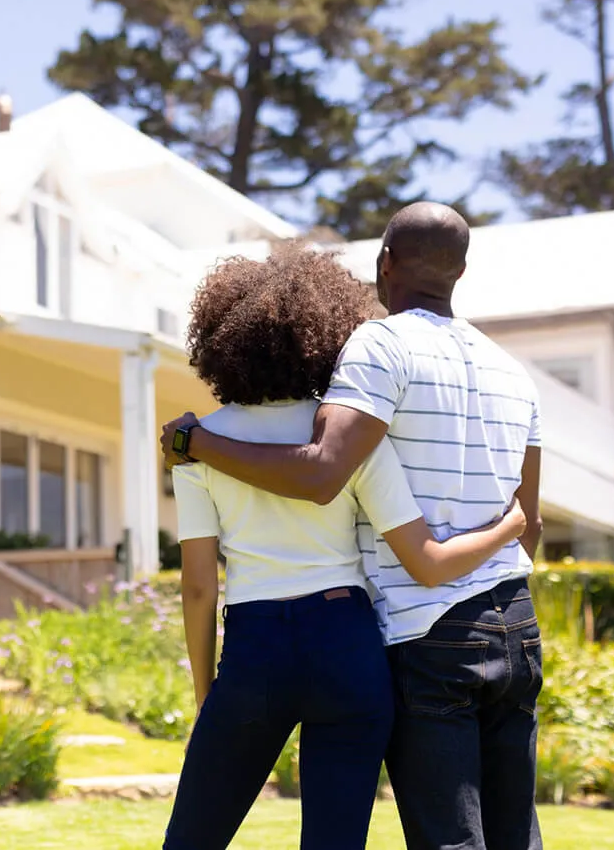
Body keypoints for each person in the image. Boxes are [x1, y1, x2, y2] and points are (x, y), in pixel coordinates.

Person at [161, 202, 545, 850]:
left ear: (384, 262)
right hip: (475, 630)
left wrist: (195, 442)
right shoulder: (513, 373)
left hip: (396, 633)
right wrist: (511, 525)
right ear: (462, 270)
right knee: (512, 835)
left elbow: (312, 480)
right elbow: (526, 521)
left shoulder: (375, 355)